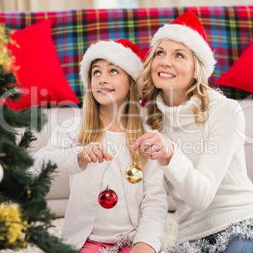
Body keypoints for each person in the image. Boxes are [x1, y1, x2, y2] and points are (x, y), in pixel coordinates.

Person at [132, 11, 253, 252]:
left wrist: (170, 153)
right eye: (160, 52)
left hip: (242, 221)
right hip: (192, 234)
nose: (165, 61)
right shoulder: (148, 120)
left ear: (196, 69)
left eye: (179, 55)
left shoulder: (225, 110)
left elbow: (202, 196)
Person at [33, 39, 168, 253]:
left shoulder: (146, 137)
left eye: (113, 71)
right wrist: (78, 156)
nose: (102, 79)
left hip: (131, 240)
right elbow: (36, 167)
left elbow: (155, 199)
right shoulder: (74, 128)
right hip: (86, 241)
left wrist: (146, 243)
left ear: (131, 82)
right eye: (96, 72)